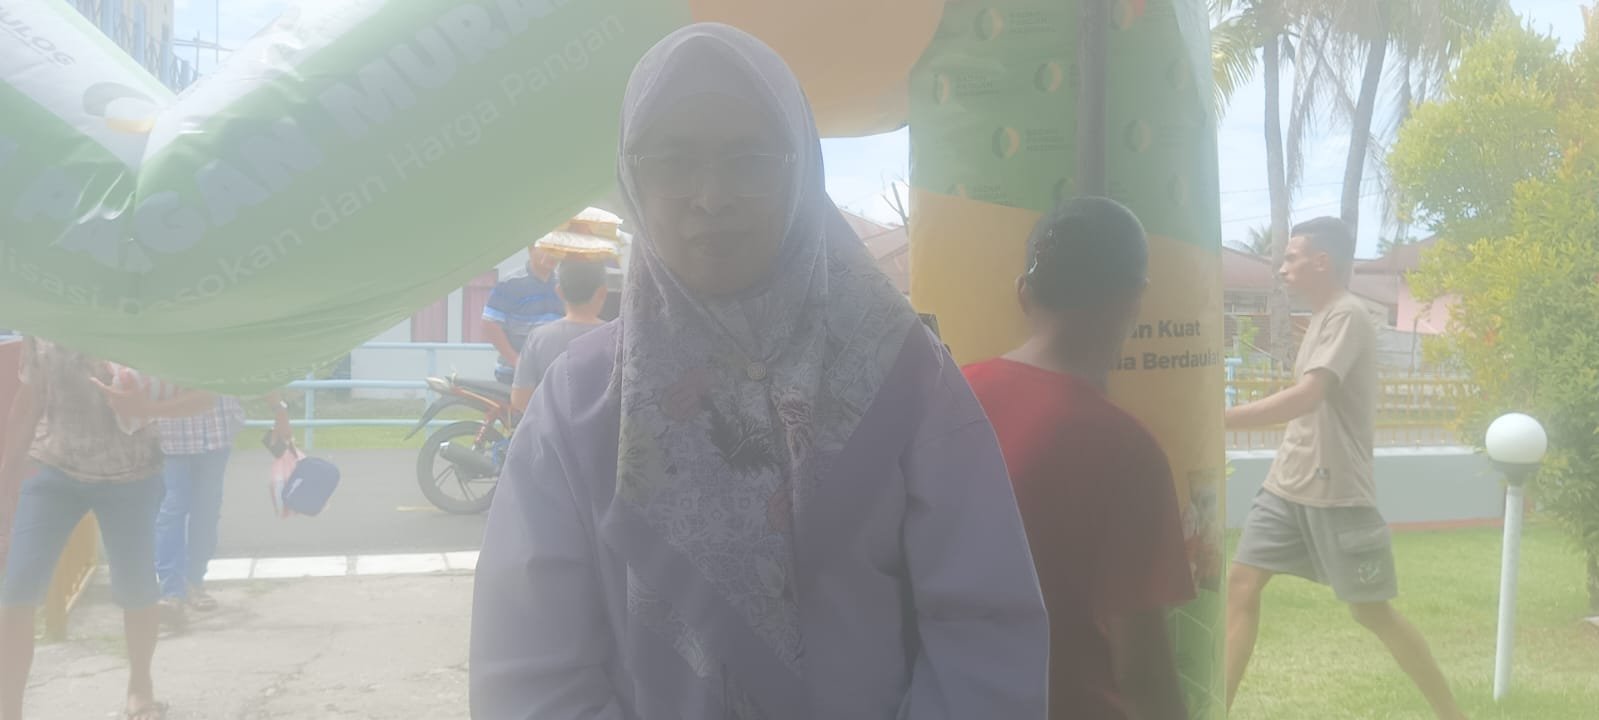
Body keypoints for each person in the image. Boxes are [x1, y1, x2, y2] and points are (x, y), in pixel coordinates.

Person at [471, 24, 1048, 719]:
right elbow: (534, 671)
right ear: (630, 176)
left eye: (750, 158)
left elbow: (984, 633)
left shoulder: (900, 376)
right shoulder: (582, 399)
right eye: (672, 159)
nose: (712, 195)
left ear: (800, 169)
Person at [1224, 217, 1466, 720]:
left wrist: (1220, 419)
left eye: (1291, 257)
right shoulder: (1319, 318)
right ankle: (1214, 709)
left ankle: (1452, 715)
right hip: (1286, 484)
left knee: (1370, 611)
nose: (1282, 267)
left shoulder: (1348, 316)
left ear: (1322, 262)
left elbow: (1309, 395)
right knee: (1242, 583)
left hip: (1335, 489)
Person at [964, 197, 1194, 720]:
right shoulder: (1128, 450)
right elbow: (1143, 673)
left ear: (1023, 294)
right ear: (1134, 300)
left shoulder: (948, 397)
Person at [0, 338, 215, 720]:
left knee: (137, 590)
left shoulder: (143, 320)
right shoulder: (45, 324)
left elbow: (205, 396)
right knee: (16, 591)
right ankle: (8, 709)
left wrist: (147, 409)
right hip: (53, 470)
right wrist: (6, 473)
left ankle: (140, 689)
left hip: (132, 475)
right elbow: (28, 401)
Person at [152, 394, 292, 626]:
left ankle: (194, 582)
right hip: (172, 434)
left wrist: (279, 410)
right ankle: (171, 591)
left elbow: (253, 372)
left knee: (206, 512)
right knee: (171, 511)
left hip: (215, 433)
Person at [509, 257, 609, 415]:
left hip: (550, 429)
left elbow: (519, 399)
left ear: (559, 292)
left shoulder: (538, 337)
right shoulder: (619, 338)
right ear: (602, 292)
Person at [481, 245, 565, 385]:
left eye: (556, 250)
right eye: (546, 249)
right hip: (513, 373)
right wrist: (516, 361)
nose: (552, 255)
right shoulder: (510, 283)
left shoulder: (563, 284)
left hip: (552, 374)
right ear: (531, 249)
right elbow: (490, 324)